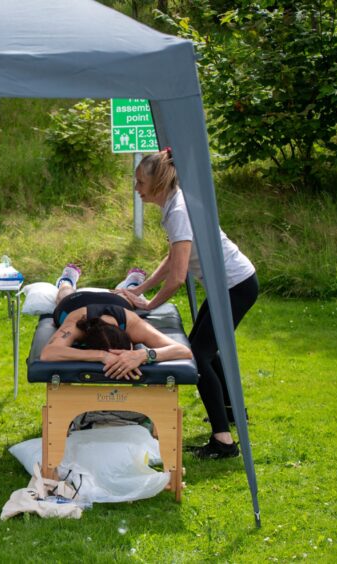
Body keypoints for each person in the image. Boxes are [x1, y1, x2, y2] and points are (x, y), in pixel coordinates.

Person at [114, 148, 259, 460]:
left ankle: (223, 440)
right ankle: (233, 413)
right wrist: (142, 288)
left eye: (140, 182)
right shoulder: (173, 205)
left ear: (158, 182)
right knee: (206, 348)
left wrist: (149, 304)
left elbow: (178, 277)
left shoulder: (178, 210)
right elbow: (173, 258)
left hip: (236, 286)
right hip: (227, 286)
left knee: (198, 356)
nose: (136, 188)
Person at [41, 264, 193, 378]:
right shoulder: (76, 324)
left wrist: (143, 355)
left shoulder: (132, 324)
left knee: (126, 298)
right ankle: (67, 280)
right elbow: (48, 353)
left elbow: (183, 351)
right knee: (64, 294)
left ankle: (131, 285)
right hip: (74, 302)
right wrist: (101, 356)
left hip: (116, 303)